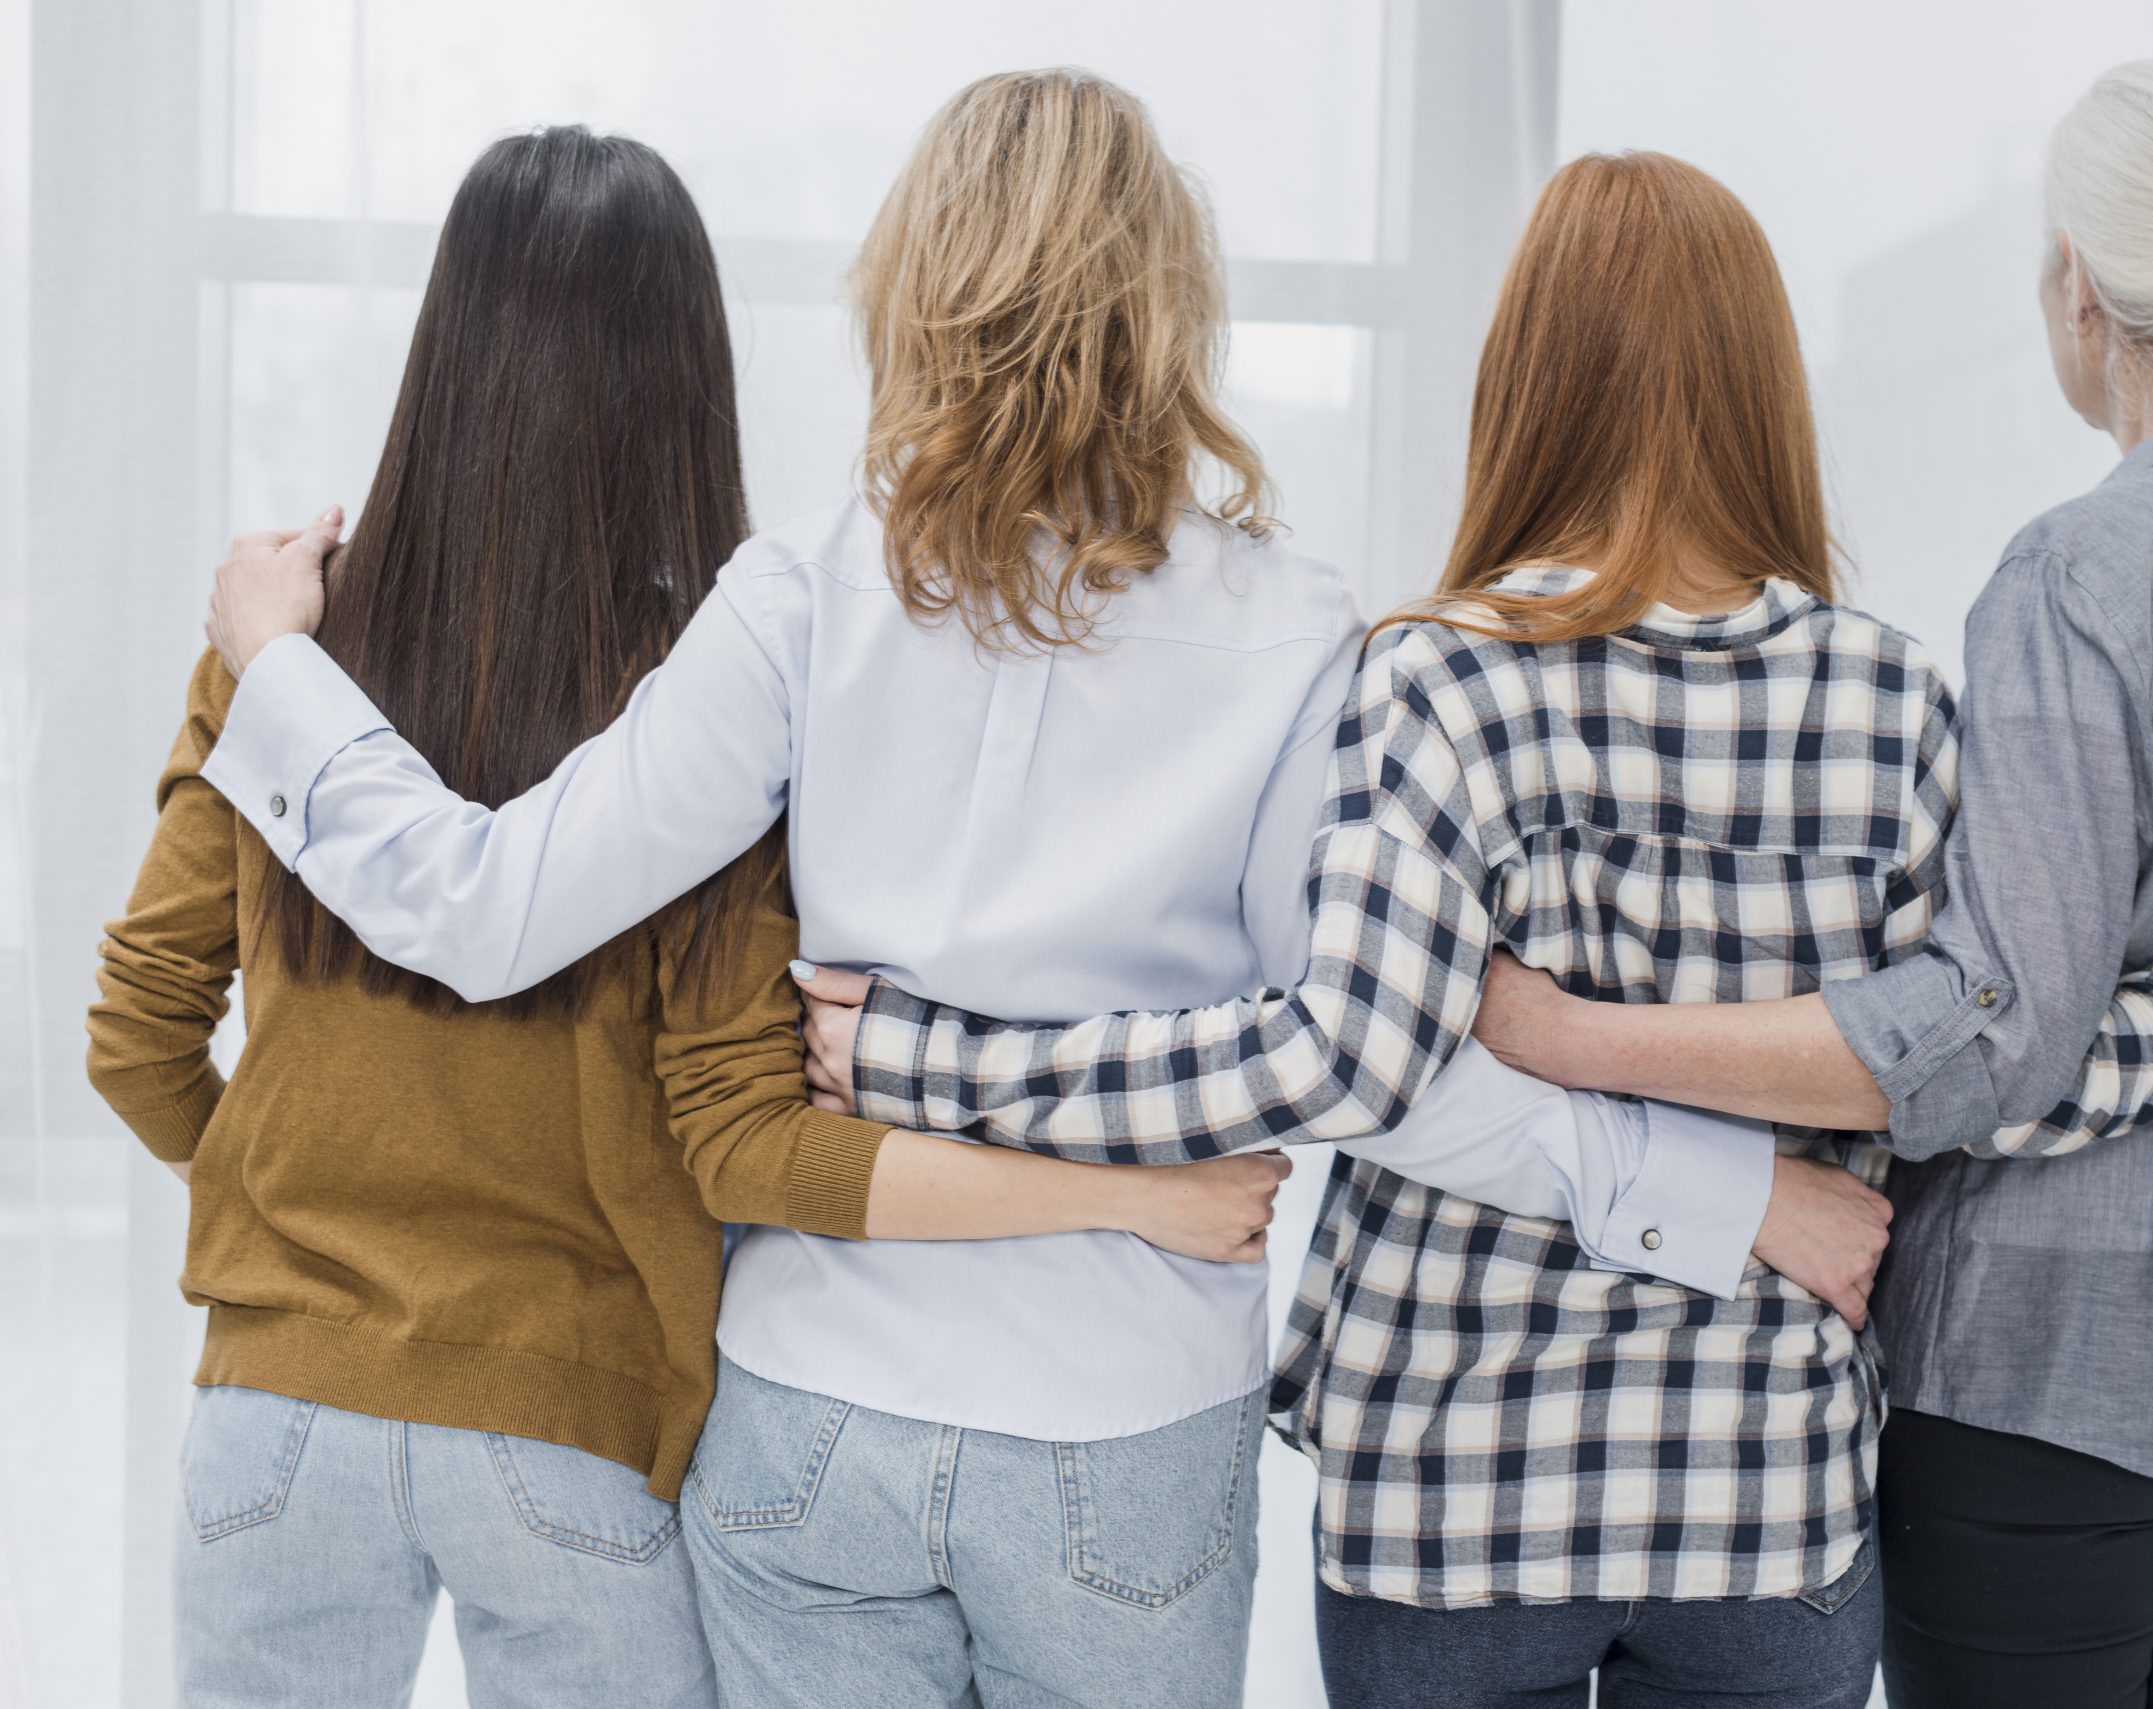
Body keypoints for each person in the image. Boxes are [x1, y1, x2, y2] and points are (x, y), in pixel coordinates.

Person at [183, 74, 1842, 1709]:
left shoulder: (803, 595)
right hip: (1119, 1421)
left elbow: (487, 904)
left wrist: (272, 664)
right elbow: (1366, 1060)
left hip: (811, 1407)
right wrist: (1718, 1197)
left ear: (914, 288)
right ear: (1170, 303)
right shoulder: (1293, 628)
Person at [786, 151, 2153, 1708]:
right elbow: (2009, 1068)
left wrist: (926, 1058)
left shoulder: (1435, 675)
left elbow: (1337, 1056)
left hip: (1453, 1485)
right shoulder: (1889, 698)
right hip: (1758, 1493)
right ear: (1767, 385)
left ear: (1525, 380)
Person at [86, 126, 1283, 1709]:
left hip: (274, 1415)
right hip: (578, 1430)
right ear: (686, 375)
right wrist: (1119, 1191)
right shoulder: (705, 693)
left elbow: (135, 1037)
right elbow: (744, 1141)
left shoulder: (280, 653)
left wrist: (283, 1214)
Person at [1460, 57, 2153, 1709]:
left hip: (2040, 1379)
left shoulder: (2082, 572)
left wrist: (1585, 1034)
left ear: (2077, 285)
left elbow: (1990, 1041)